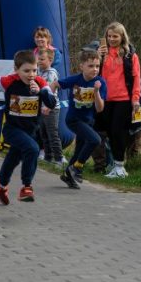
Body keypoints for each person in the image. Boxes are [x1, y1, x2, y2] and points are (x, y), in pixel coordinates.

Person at [0, 50, 56, 204]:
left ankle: (0, 185)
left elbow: (52, 103)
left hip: (29, 130)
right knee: (33, 149)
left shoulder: (40, 83)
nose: (31, 74)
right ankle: (26, 187)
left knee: (13, 157)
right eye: (27, 71)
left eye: (34, 70)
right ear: (16, 70)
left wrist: (40, 92)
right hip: (12, 128)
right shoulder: (10, 81)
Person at [55, 50, 106, 189]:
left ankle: (68, 174)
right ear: (82, 66)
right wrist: (48, 101)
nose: (95, 69)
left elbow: (100, 108)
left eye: (97, 66)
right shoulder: (75, 80)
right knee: (95, 140)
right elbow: (55, 84)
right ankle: (77, 167)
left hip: (88, 121)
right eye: (91, 66)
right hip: (73, 119)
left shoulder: (100, 82)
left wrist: (96, 92)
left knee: (79, 150)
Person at [96, 22, 141, 178]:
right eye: (109, 36)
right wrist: (98, 56)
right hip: (105, 99)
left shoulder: (130, 55)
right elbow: (94, 72)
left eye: (115, 36)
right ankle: (115, 165)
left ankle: (120, 167)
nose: (111, 39)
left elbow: (136, 79)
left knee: (119, 132)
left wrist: (135, 99)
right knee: (109, 132)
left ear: (122, 37)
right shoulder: (102, 53)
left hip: (123, 99)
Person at [35, 47, 63, 166]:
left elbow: (52, 92)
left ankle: (59, 159)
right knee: (44, 134)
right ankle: (48, 157)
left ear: (50, 60)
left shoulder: (51, 73)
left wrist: (48, 106)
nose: (39, 61)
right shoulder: (38, 71)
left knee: (52, 134)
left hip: (51, 108)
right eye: (38, 59)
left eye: (42, 59)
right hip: (41, 108)